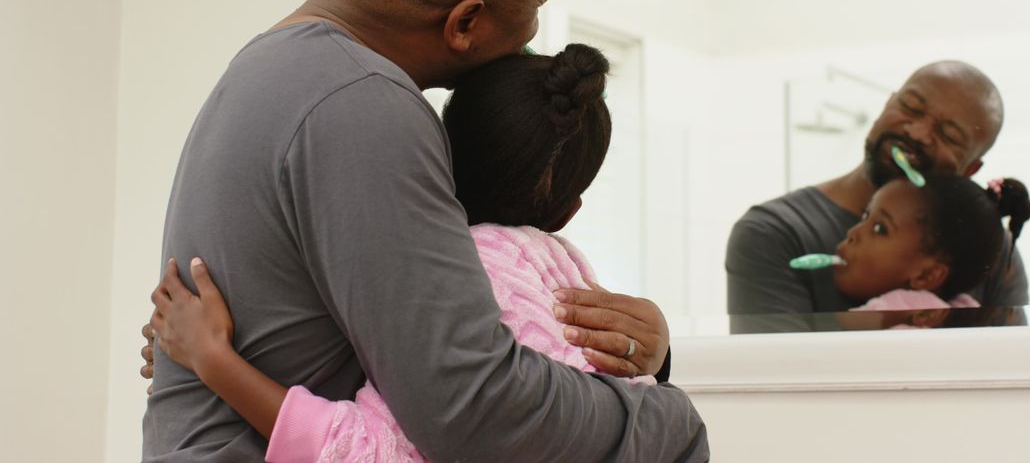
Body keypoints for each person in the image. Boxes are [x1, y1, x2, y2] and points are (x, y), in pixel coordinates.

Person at [142, 0, 708, 461]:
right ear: (465, 22)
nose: (532, 33)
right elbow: (474, 409)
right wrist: (666, 419)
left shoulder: (269, 68)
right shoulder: (363, 103)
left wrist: (645, 356)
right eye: (536, 7)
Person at [149, 44, 669, 462]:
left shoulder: (450, 278)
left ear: (435, 151)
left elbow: (369, 451)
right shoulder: (564, 275)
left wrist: (213, 360)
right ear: (567, 214)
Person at [726, 60, 1029, 329]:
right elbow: (777, 372)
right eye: (910, 107)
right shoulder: (776, 232)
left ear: (970, 169)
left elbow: (1017, 367)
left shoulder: (991, 250)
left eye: (948, 135)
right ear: (887, 104)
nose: (916, 132)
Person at [837, 175, 1030, 312]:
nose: (853, 232)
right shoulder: (966, 314)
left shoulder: (886, 316)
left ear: (927, 275)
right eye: (866, 215)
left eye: (880, 228)